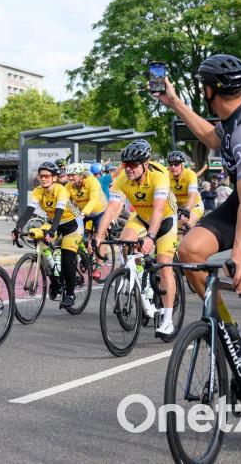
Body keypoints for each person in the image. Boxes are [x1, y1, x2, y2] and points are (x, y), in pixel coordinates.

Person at [157, 54, 241, 435]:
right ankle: (233, 334)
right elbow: (211, 137)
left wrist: (239, 255)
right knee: (188, 252)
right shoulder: (235, 119)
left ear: (209, 90)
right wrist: (173, 102)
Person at [94, 140, 179, 336]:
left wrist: (150, 237)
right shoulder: (123, 178)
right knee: (125, 242)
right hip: (141, 216)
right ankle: (140, 277)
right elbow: (112, 208)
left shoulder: (159, 176)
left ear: (145, 165)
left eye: (133, 164)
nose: (128, 168)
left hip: (164, 218)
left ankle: (167, 319)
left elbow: (158, 209)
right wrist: (98, 236)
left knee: (164, 267)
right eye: (125, 164)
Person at [14, 161, 82, 307]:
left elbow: (59, 212)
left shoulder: (61, 190)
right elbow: (29, 210)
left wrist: (52, 231)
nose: (43, 179)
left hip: (71, 225)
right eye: (41, 176)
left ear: (54, 178)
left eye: (47, 176)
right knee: (39, 242)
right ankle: (55, 279)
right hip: (53, 222)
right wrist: (18, 227)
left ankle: (70, 294)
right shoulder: (38, 191)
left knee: (67, 258)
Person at [65, 162, 108, 279]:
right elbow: (64, 201)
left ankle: (98, 267)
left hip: (99, 212)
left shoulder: (92, 181)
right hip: (82, 213)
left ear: (81, 175)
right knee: (79, 237)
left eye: (73, 175)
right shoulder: (69, 186)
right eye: (68, 175)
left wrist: (84, 213)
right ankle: (85, 255)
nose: (70, 178)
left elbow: (93, 200)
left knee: (99, 237)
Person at [167, 150, 204, 229]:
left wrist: (187, 211)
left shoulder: (190, 174)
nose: (173, 167)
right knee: (175, 228)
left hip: (194, 205)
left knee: (188, 223)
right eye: (171, 164)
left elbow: (192, 196)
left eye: (176, 164)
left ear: (182, 165)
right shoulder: (166, 175)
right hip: (177, 207)